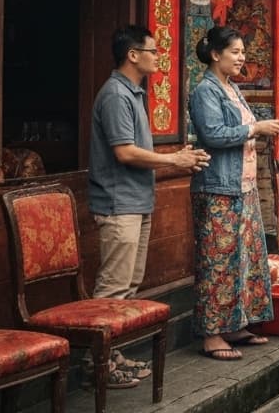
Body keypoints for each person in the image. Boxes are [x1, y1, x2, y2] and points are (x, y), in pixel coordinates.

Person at [89, 25, 210, 389]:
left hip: (135, 200)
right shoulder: (115, 95)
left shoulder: (134, 93)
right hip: (117, 201)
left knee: (128, 286)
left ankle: (112, 356)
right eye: (153, 51)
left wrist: (176, 160)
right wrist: (174, 161)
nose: (158, 57)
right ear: (132, 54)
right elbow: (124, 152)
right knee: (113, 287)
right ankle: (95, 365)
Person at [187, 26, 279, 361]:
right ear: (216, 54)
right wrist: (256, 128)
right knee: (218, 261)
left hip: (241, 187)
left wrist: (261, 130)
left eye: (243, 51)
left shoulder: (231, 88)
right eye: (235, 51)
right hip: (218, 188)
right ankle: (212, 334)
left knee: (242, 259)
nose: (241, 57)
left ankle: (235, 323)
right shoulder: (206, 91)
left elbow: (237, 132)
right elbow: (213, 134)